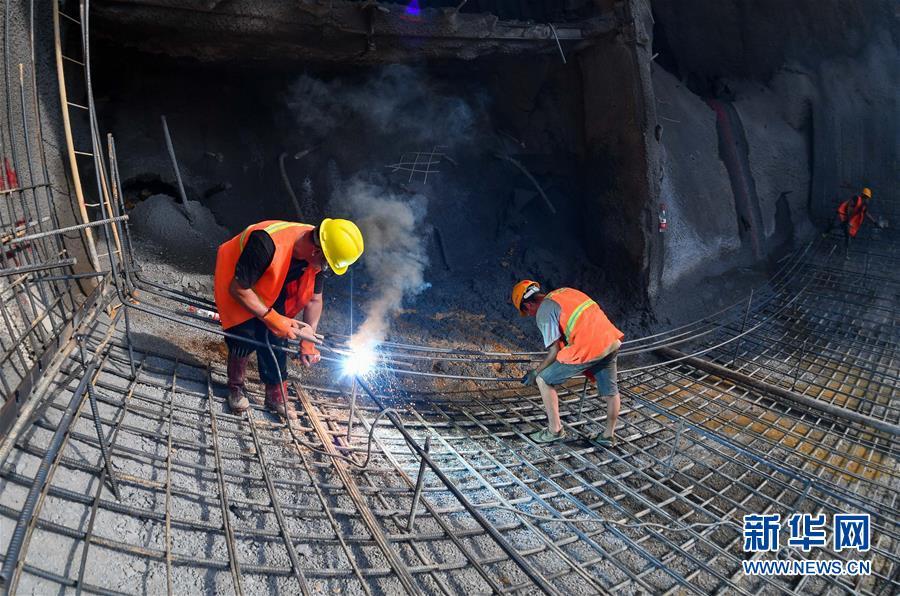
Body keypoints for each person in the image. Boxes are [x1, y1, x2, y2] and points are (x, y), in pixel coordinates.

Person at [214, 219, 364, 418]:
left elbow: (314, 300)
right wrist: (271, 317)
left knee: (277, 337)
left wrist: (309, 338)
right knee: (244, 333)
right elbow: (238, 289)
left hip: (270, 282)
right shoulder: (266, 243)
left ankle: (275, 394)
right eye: (326, 265)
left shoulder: (321, 248)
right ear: (316, 252)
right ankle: (236, 386)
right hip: (238, 279)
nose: (325, 269)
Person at [512, 280, 624, 445]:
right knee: (611, 392)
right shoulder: (565, 291)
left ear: (528, 305)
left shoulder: (544, 311)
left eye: (526, 312)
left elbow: (554, 351)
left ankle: (554, 430)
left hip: (588, 347)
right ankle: (608, 435)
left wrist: (535, 372)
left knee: (544, 379)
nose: (529, 315)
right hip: (610, 340)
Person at [828, 187, 880, 256]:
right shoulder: (856, 199)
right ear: (863, 196)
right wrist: (847, 219)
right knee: (838, 226)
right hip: (842, 215)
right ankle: (827, 232)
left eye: (867, 198)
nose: (867, 199)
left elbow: (866, 213)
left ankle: (846, 252)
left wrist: (874, 222)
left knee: (846, 234)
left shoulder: (863, 205)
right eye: (866, 197)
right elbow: (848, 207)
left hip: (848, 220)